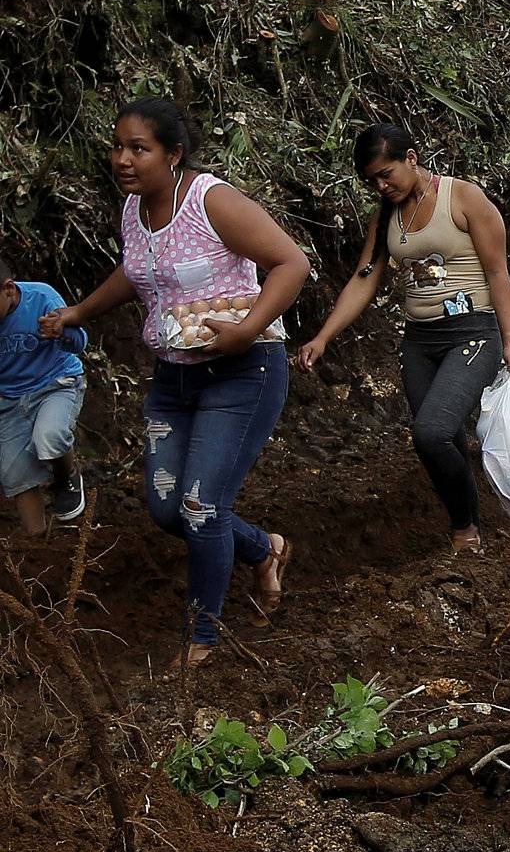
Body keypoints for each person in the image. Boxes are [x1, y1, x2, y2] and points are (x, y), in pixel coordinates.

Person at [41, 98, 306, 664]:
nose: (123, 159)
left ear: (174, 154)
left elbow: (292, 263)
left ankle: (202, 639)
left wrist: (247, 330)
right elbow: (134, 273)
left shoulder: (211, 201)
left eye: (139, 148)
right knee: (168, 510)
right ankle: (264, 550)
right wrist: (77, 313)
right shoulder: (133, 210)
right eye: (118, 146)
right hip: (175, 380)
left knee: (201, 505)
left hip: (242, 370)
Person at [296, 123, 510, 555]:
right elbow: (365, 279)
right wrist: (323, 336)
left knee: (431, 432)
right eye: (372, 181)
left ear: (412, 158)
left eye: (387, 174)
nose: (381, 185)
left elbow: (497, 272)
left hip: (472, 334)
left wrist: (508, 340)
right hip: (421, 340)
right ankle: (470, 521)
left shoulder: (463, 197)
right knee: (444, 437)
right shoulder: (385, 216)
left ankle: (465, 528)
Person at [0, 255, 88, 534]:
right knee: (14, 475)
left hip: (56, 384)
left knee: (49, 437)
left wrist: (62, 332)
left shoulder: (41, 297)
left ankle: (66, 476)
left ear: (9, 289)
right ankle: (36, 545)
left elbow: (80, 342)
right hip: (9, 399)